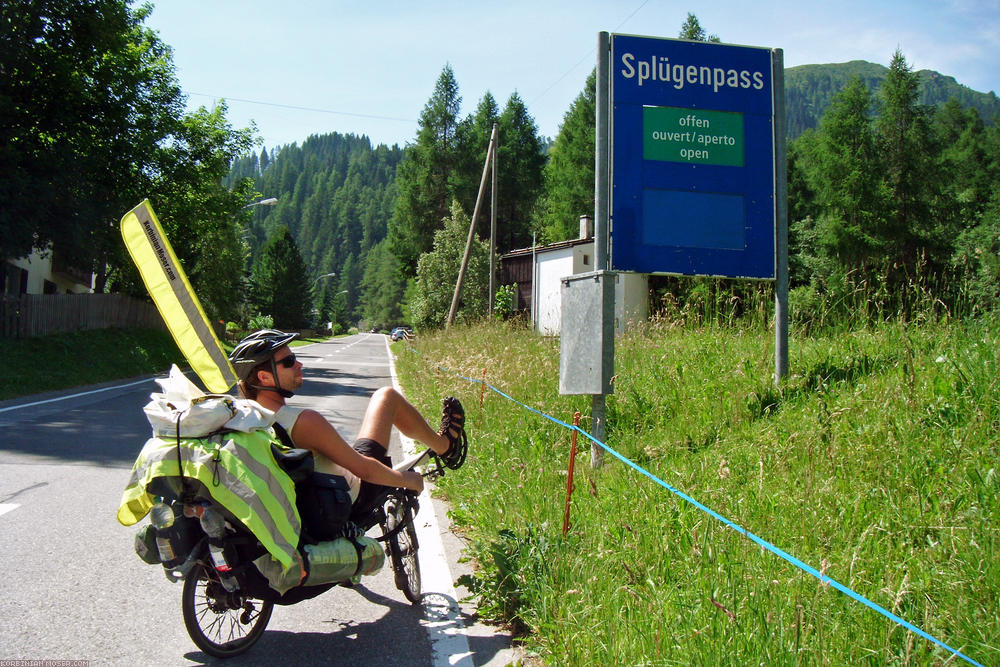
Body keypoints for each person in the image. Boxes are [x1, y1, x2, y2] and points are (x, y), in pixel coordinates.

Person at [228, 329, 466, 517]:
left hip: (302, 504)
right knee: (386, 396)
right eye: (289, 361)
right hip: (350, 494)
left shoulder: (240, 418)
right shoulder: (303, 422)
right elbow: (364, 470)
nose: (299, 364)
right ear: (264, 377)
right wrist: (407, 480)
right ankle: (445, 445)